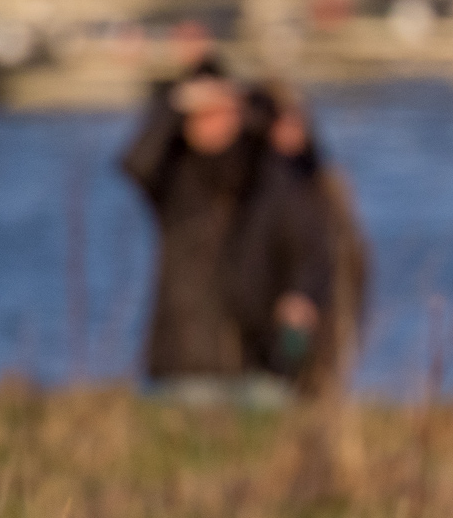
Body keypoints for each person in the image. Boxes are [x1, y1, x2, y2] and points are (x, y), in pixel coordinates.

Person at [122, 31, 366, 400]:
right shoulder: (175, 181)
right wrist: (175, 102)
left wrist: (301, 301)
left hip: (259, 363)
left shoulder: (268, 176)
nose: (212, 122)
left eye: (221, 111)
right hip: (182, 362)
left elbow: (315, 250)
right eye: (201, 115)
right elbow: (136, 162)